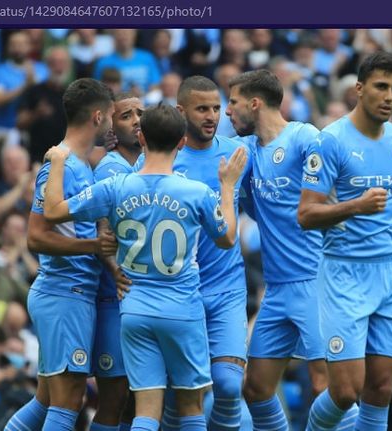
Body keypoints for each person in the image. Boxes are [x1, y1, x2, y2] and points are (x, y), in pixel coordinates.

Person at [43, 104, 246, 431]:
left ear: (141, 136)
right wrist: (227, 186)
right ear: (182, 142)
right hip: (183, 310)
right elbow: (227, 238)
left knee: (145, 411)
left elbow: (52, 212)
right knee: (190, 406)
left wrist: (56, 161)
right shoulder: (196, 192)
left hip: (134, 310)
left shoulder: (117, 187)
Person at [298, 51, 392, 430]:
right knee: (346, 392)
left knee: (381, 388)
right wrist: (355, 206)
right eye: (381, 86)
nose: (389, 96)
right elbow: (306, 215)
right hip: (346, 273)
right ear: (359, 90)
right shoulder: (331, 141)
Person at [224, 68, 334, 430]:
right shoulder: (250, 153)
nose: (227, 111)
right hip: (276, 287)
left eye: (233, 102)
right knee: (255, 389)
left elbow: (331, 198)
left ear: (255, 104)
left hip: (314, 280)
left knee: (325, 386)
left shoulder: (305, 137)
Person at [4, 78, 115, 431]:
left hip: (71, 294)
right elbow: (36, 238)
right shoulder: (59, 165)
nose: (112, 123)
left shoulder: (78, 163)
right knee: (68, 403)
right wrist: (93, 247)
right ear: (98, 116)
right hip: (63, 293)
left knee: (48, 400)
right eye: (112, 116)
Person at [154, 76, 253, 430]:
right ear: (181, 112)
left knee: (228, 384)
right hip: (180, 291)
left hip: (227, 287)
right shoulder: (164, 162)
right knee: (177, 396)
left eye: (215, 108)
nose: (211, 116)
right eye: (201, 109)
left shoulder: (239, 154)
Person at [89, 92, 143, 431]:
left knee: (137, 401)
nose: (137, 119)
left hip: (135, 301)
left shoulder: (141, 166)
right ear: (111, 126)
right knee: (115, 398)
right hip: (113, 298)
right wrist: (117, 272)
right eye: (126, 115)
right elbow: (102, 234)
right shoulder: (111, 167)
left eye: (141, 113)